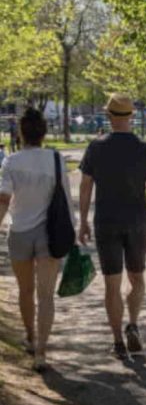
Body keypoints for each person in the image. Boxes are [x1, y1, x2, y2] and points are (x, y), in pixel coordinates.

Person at [78, 93, 146, 361]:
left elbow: (85, 186)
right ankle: (134, 324)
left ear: (109, 116)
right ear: (132, 116)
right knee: (137, 278)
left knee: (112, 284)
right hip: (137, 221)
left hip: (107, 221)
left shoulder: (96, 147)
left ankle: (117, 341)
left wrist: (82, 221)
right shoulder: (145, 149)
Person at [0, 108, 74, 371]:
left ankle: (30, 336)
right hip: (49, 234)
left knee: (25, 290)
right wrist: (72, 232)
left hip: (19, 231)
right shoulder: (55, 159)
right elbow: (65, 197)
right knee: (46, 296)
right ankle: (42, 351)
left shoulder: (11, 162)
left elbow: (4, 199)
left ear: (21, 133)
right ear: (44, 133)